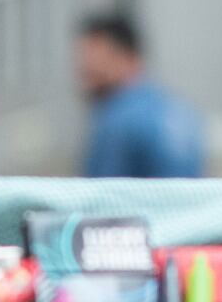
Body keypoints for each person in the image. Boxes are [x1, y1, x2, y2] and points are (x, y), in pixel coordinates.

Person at [76, 10, 205, 179]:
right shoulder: (181, 110)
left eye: (93, 68)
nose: (83, 74)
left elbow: (99, 196)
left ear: (126, 56)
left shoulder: (117, 119)